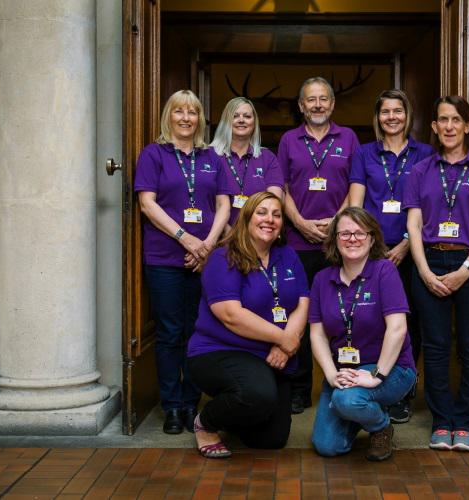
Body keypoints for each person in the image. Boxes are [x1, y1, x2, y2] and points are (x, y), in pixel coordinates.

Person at [404, 96, 469, 452]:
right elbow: (413, 227)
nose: (448, 126)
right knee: (434, 348)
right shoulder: (420, 172)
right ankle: (441, 420)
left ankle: (465, 423)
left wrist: (465, 271)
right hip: (429, 262)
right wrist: (423, 270)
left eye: (455, 120)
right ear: (433, 127)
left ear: (467, 125)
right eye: (442, 120)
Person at [134, 90, 231, 435]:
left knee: (198, 332)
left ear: (200, 119)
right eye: (179, 111)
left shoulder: (213, 158)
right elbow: (148, 204)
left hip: (206, 259)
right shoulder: (153, 154)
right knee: (170, 334)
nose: (186, 118)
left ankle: (191, 402)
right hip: (165, 259)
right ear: (169, 117)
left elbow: (223, 205)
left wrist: (206, 244)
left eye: (193, 112)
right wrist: (185, 238)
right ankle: (172, 406)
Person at [187, 191, 310, 458]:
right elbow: (230, 314)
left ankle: (240, 406)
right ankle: (205, 423)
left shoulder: (287, 255)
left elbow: (302, 302)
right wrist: (283, 338)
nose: (270, 219)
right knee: (257, 395)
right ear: (246, 218)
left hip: (274, 356)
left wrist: (287, 344)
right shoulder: (224, 257)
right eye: (262, 212)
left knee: (271, 439)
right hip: (220, 351)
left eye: (277, 215)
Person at [348, 89, 434, 424]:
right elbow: (356, 203)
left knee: (410, 325)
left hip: (413, 253)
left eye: (398, 111)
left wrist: (405, 245)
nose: (392, 117)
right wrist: (372, 246)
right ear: (378, 117)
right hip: (372, 253)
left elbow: (431, 204)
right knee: (371, 320)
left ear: (407, 116)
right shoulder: (364, 153)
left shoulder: (424, 153)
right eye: (386, 112)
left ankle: (404, 391)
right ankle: (373, 384)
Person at [278, 76, 360, 413]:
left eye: (323, 99)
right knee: (298, 315)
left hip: (338, 245)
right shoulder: (287, 140)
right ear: (301, 105)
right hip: (297, 245)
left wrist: (335, 227)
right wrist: (298, 222)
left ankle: (340, 383)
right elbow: (279, 186)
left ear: (332, 103)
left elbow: (356, 186)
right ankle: (299, 388)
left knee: (339, 315)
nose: (317, 105)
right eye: (310, 99)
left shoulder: (350, 138)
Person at [309, 207, 416, 461]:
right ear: (335, 239)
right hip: (345, 372)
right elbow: (317, 335)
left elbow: (397, 328)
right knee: (327, 446)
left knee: (347, 400)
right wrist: (331, 374)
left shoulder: (384, 271)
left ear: (371, 238)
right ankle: (359, 408)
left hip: (392, 370)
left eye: (359, 233)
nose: (352, 239)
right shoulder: (322, 279)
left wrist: (376, 376)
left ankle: (380, 426)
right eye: (345, 233)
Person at [210, 97, 284, 226]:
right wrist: (228, 235)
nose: (241, 120)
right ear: (226, 121)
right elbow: (205, 202)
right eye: (235, 116)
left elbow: (273, 202)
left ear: (254, 122)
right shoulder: (210, 155)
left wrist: (251, 235)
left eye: (247, 116)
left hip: (258, 236)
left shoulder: (267, 157)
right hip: (218, 238)